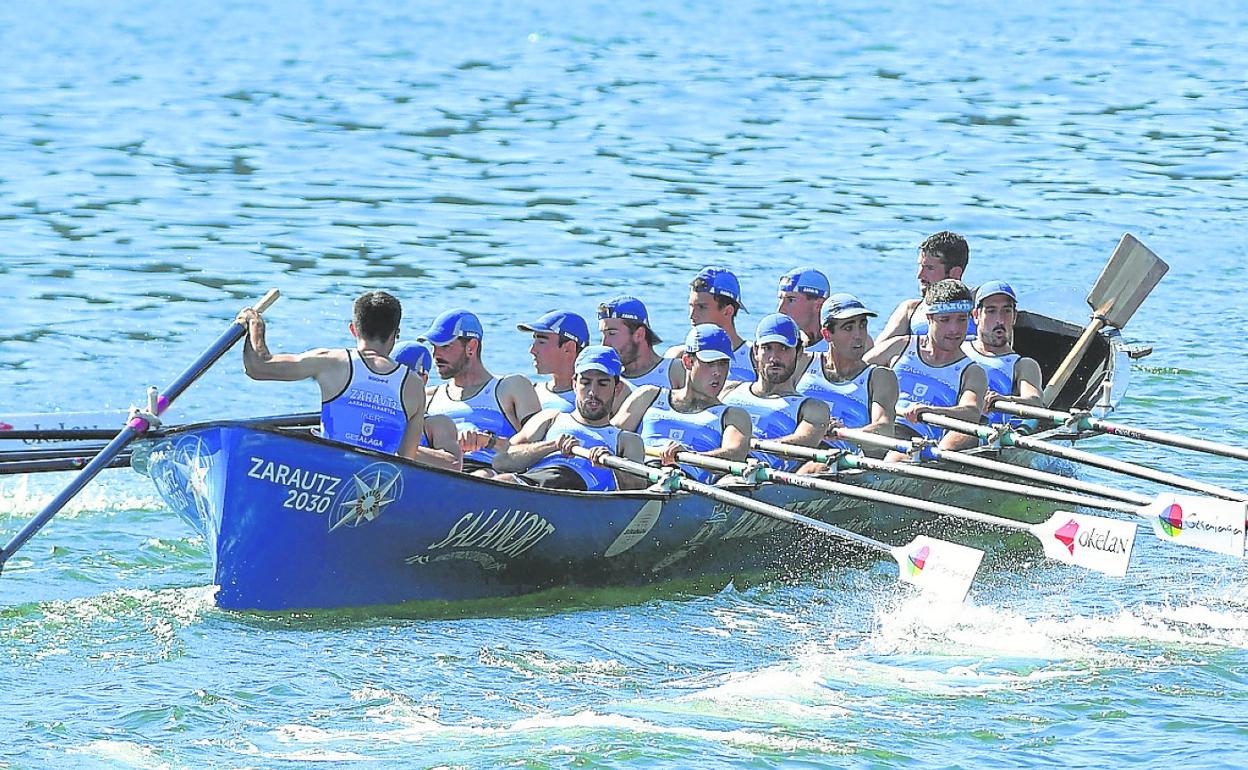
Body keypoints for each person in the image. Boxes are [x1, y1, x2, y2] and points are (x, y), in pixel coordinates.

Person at [236, 291, 455, 469]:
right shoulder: (414, 385)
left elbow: (258, 367)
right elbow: (406, 462)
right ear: (395, 334)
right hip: (372, 489)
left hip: (327, 472)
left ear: (353, 329)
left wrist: (255, 324)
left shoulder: (331, 362)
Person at [484, 347, 646, 491]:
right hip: (535, 483)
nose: (592, 392)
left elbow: (636, 493)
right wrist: (552, 446)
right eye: (585, 383)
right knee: (501, 480)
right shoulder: (550, 418)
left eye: (602, 384)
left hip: (580, 495)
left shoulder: (627, 440)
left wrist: (612, 466)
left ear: (617, 388)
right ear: (574, 384)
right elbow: (501, 462)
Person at [614, 324, 752, 483]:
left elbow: (736, 453)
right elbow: (610, 435)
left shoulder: (733, 415)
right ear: (687, 362)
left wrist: (690, 457)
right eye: (709, 363)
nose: (718, 372)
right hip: (640, 474)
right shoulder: (649, 395)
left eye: (723, 363)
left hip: (688, 484)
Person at [863, 279, 987, 450]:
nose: (954, 329)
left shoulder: (972, 371)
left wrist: (932, 411)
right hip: (874, 429)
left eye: (961, 320)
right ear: (929, 318)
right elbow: (854, 373)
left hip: (917, 442)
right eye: (945, 320)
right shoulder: (900, 346)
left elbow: (971, 412)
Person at [420, 309, 541, 473]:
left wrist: (489, 441)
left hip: (491, 474)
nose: (436, 355)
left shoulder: (511, 387)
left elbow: (538, 449)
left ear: (471, 347)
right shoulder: (428, 397)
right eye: (434, 347)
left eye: (445, 346)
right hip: (439, 472)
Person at [944, 280, 1046, 449]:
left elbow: (1035, 402)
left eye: (1006, 311)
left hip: (980, 434)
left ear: (1014, 317)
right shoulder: (957, 347)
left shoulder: (1022, 365)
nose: (999, 320)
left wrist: (1004, 400)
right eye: (991, 311)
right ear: (976, 316)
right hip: (937, 420)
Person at [721, 314, 830, 470]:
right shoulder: (728, 390)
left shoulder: (812, 408)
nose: (774, 357)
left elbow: (805, 442)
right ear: (756, 351)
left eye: (784, 348)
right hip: (715, 467)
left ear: (799, 352)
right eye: (767, 348)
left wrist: (743, 445)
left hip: (760, 478)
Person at [795, 293, 898, 441]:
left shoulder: (880, 377)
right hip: (799, 450)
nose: (859, 335)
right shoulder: (803, 363)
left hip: (844, 458)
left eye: (862, 326)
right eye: (848, 328)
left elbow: (885, 428)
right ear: (827, 335)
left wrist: (843, 434)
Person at [878, 231, 974, 340]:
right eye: (920, 266)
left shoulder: (981, 304)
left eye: (929, 268)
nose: (920, 275)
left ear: (955, 273)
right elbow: (876, 352)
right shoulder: (910, 309)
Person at [667, 267, 755, 383]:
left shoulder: (756, 358)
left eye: (701, 307)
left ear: (727, 311)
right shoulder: (678, 357)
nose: (692, 316)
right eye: (691, 306)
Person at [392, 342, 463, 470]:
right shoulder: (375, 409)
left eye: (403, 376)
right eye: (392, 374)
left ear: (423, 379)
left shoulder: (435, 424)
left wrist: (392, 444)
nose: (396, 382)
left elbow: (454, 464)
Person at [597, 295, 682, 389]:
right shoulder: (606, 381)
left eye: (612, 333)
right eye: (603, 335)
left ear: (639, 334)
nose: (604, 344)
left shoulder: (676, 372)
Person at [516, 310, 590, 413]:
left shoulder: (592, 400)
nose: (532, 350)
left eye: (541, 342)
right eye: (534, 341)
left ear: (568, 348)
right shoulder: (533, 391)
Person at [776, 266, 830, 353]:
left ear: (818, 305)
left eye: (791, 300)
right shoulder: (778, 346)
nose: (781, 309)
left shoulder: (839, 349)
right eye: (780, 299)